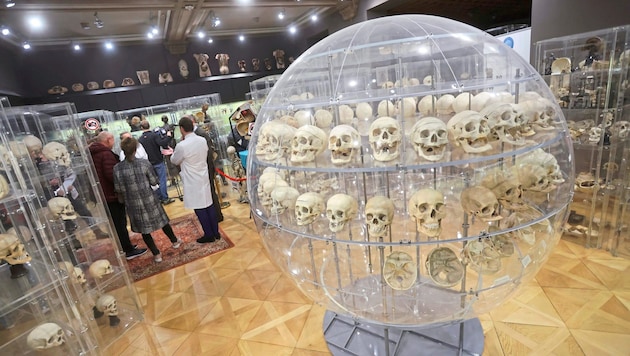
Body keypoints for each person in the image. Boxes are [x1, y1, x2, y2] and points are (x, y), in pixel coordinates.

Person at [113, 136, 182, 263]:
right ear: (135, 149)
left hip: (133, 203)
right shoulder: (144, 164)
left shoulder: (117, 168)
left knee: (144, 229)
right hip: (149, 198)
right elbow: (154, 181)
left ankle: (156, 254)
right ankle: (175, 241)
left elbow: (119, 188)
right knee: (162, 221)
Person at [88, 131, 147, 260]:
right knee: (120, 223)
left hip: (105, 194)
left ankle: (125, 247)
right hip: (111, 195)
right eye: (113, 139)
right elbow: (112, 175)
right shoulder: (105, 154)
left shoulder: (95, 154)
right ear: (108, 140)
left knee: (117, 223)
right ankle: (128, 250)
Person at [171, 116, 221, 243]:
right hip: (203, 175)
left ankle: (209, 234)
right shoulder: (201, 140)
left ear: (181, 129)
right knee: (208, 204)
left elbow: (174, 160)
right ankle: (216, 232)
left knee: (200, 207)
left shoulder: (182, 146)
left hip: (192, 179)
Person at [193, 117, 224, 222]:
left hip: (206, 167)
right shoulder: (198, 133)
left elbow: (208, 152)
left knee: (211, 191)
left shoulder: (200, 133)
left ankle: (217, 216)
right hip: (204, 167)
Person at [137, 120, 175, 205]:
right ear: (149, 125)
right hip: (158, 161)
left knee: (154, 182)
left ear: (141, 128)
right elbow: (162, 143)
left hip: (148, 163)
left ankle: (159, 198)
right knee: (162, 180)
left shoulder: (140, 139)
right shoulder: (154, 136)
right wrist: (168, 136)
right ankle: (165, 198)